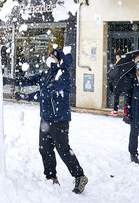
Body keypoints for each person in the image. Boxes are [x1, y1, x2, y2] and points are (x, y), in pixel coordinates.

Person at [16, 47, 89, 194]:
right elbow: (32, 79)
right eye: (49, 57)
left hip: (59, 119)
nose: (50, 59)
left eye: (53, 57)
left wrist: (27, 97)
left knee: (63, 149)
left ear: (59, 60)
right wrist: (13, 81)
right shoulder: (48, 73)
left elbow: (48, 93)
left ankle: (80, 176)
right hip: (45, 117)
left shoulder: (63, 75)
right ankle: (51, 177)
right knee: (45, 148)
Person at [108, 50, 123, 115]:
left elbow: (116, 71)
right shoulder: (119, 62)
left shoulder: (120, 62)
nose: (116, 56)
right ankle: (116, 110)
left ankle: (115, 110)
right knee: (118, 95)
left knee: (117, 95)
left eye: (117, 55)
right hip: (120, 81)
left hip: (119, 81)